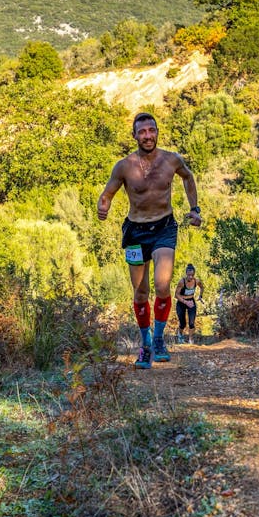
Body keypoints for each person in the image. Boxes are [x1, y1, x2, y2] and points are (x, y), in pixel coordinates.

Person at [98, 112, 201, 369]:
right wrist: (104, 205)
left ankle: (158, 340)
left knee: (163, 284)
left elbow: (188, 177)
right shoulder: (124, 166)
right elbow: (108, 192)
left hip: (164, 227)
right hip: (135, 232)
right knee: (141, 291)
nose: (147, 136)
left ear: (157, 132)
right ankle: (144, 345)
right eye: (142, 132)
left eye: (151, 130)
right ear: (134, 136)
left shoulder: (171, 160)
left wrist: (195, 209)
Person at [174, 264, 204, 344]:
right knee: (183, 323)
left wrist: (200, 296)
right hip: (181, 302)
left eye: (192, 275)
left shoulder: (196, 281)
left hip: (191, 301)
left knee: (191, 322)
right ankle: (180, 335)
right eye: (189, 275)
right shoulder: (182, 282)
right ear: (186, 274)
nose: (190, 277)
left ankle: (191, 340)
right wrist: (185, 302)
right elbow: (176, 295)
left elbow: (202, 287)